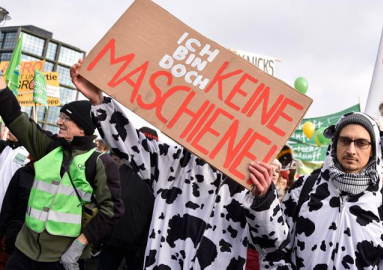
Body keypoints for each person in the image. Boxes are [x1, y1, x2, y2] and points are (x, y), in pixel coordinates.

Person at [71, 60, 287, 269]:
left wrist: (263, 200)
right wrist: (99, 102)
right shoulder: (174, 161)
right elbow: (130, 144)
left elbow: (272, 242)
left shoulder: (253, 182)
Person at [260, 112, 383, 269]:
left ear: (373, 149)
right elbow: (275, 245)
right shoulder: (304, 188)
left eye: (361, 143)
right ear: (335, 144)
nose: (351, 150)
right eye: (344, 140)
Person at [0, 76, 124, 270]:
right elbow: (17, 120)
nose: (58, 122)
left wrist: (79, 245)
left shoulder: (100, 163)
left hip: (60, 260)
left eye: (66, 118)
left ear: (82, 127)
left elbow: (112, 211)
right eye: (60, 116)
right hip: (22, 254)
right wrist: (2, 88)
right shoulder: (49, 147)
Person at [0, 130, 30, 210]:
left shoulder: (27, 154)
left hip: (9, 204)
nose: (8, 132)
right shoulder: (6, 149)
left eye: (12, 130)